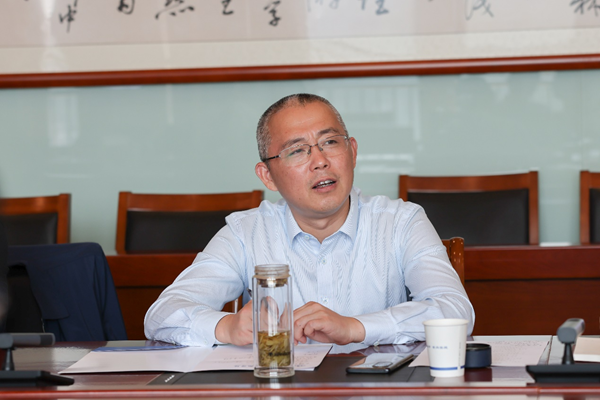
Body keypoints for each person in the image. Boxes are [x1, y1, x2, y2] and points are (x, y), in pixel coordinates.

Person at [144, 93, 474, 347]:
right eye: (297, 150)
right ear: (267, 175)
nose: (320, 161)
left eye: (330, 142)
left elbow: (454, 310)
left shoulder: (401, 222)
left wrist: (354, 327)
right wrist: (226, 327)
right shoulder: (247, 232)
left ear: (352, 152)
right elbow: (162, 314)